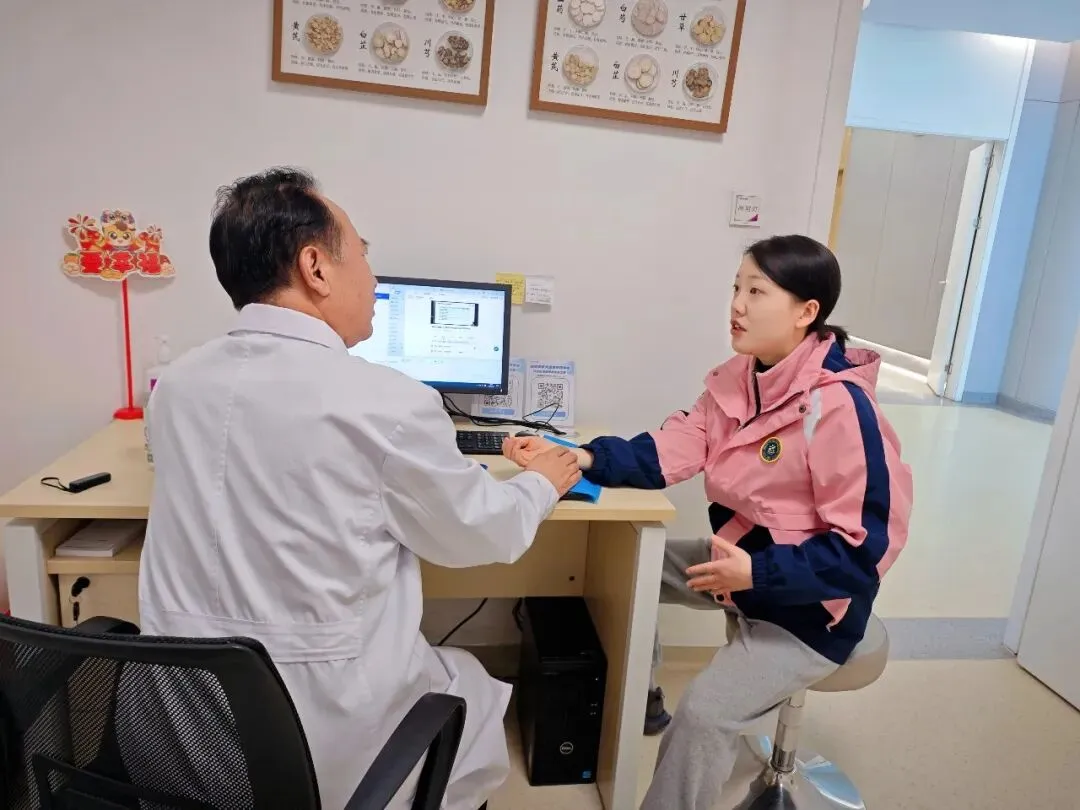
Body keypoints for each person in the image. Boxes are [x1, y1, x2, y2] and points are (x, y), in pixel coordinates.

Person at [132, 168, 581, 810]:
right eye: (364, 255)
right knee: (474, 688)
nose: (373, 281)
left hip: (182, 735)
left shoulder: (177, 385)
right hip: (323, 745)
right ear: (315, 267)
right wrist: (540, 482)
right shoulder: (385, 401)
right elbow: (481, 533)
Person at [503, 234, 913, 810]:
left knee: (702, 715)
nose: (736, 305)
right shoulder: (739, 381)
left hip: (811, 610)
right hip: (744, 569)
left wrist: (759, 575)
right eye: (736, 288)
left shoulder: (840, 408)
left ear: (806, 312)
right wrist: (580, 457)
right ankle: (643, 698)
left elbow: (863, 553)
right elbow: (669, 449)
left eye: (757, 292)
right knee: (632, 565)